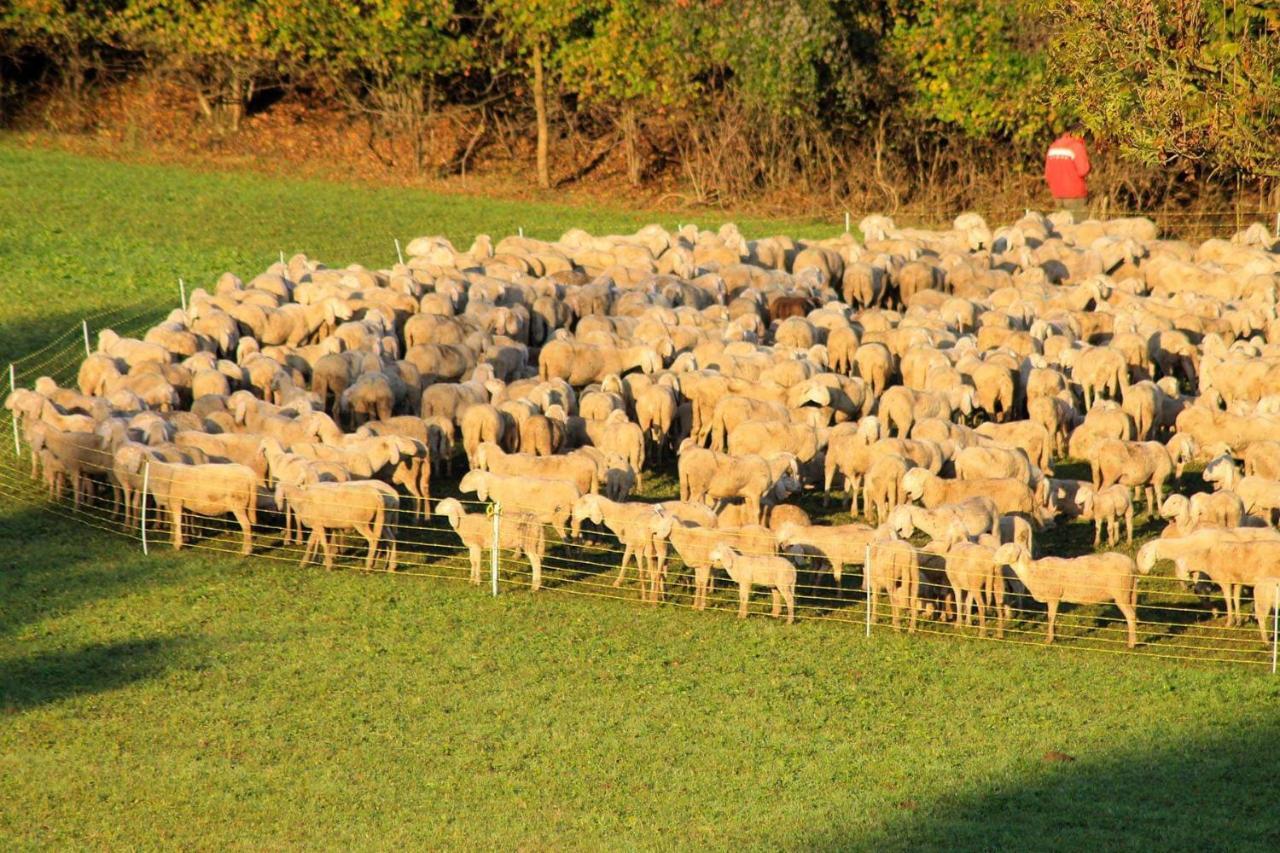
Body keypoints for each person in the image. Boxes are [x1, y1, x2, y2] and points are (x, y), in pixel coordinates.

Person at [1044, 130, 1090, 215]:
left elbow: (1047, 173)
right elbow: (1084, 170)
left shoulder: (1053, 147)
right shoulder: (1077, 147)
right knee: (1078, 226)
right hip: (1075, 195)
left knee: (1060, 226)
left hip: (1057, 194)